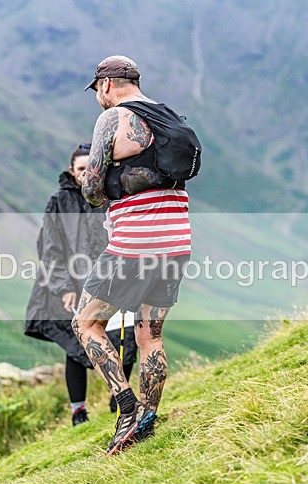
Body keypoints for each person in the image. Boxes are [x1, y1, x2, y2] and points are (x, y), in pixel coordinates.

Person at [72, 56, 193, 455]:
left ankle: (125, 406)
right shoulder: (166, 115)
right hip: (177, 240)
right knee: (150, 335)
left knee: (86, 324)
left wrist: (108, 185)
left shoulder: (113, 119)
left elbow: (90, 190)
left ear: (105, 85)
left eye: (97, 92)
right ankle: (147, 421)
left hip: (133, 243)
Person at [24, 143, 138, 425]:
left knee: (125, 337)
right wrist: (64, 288)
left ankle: (118, 396)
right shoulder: (59, 202)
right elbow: (50, 247)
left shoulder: (112, 193)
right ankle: (78, 411)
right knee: (77, 345)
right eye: (80, 169)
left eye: (91, 166)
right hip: (72, 283)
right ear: (72, 171)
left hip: (113, 277)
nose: (86, 173)